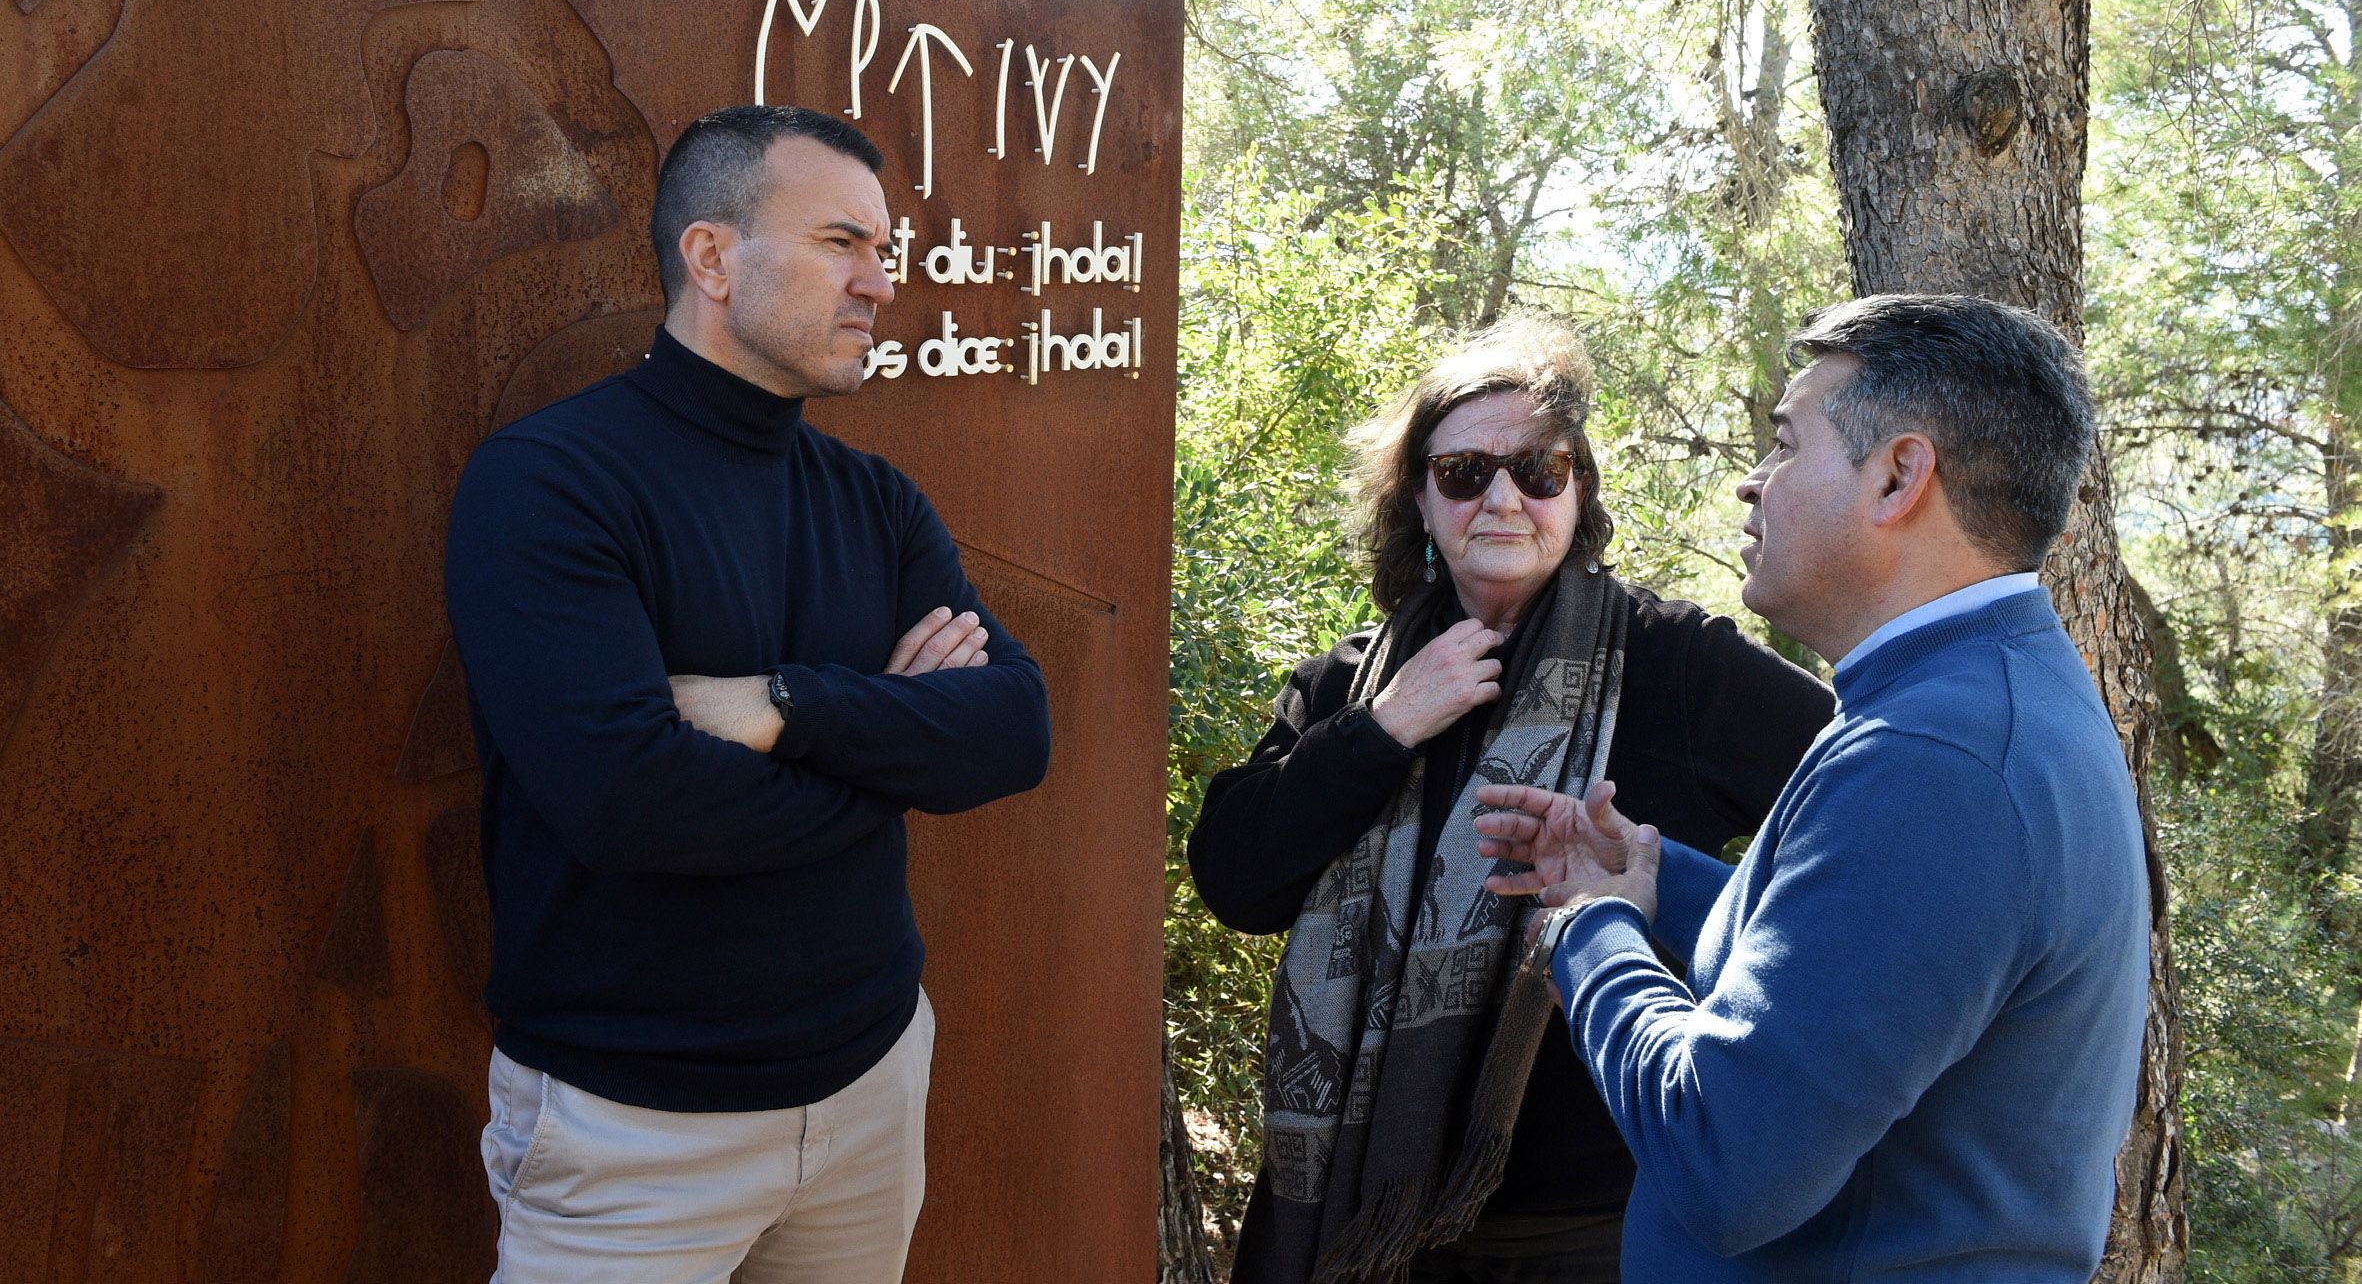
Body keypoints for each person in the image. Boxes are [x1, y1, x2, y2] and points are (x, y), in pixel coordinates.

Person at [443, 104, 1051, 1281]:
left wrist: (785, 705)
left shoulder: (876, 501)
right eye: (842, 242)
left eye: (886, 250)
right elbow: (630, 803)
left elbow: (1013, 729)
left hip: (873, 1081)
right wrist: (892, 754)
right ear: (711, 257)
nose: (879, 281)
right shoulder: (549, 484)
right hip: (634, 1130)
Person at [1473, 293, 2150, 1281]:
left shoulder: (1939, 756)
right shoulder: (1974, 695)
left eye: (1785, 444)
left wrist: (1587, 926)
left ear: (1898, 475)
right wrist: (1656, 877)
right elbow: (1853, 963)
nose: (1752, 484)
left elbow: (1724, 1165)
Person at [1188, 320, 1833, 1284]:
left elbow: (1857, 815)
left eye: (1538, 468)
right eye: (1464, 472)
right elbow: (1235, 878)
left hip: (1600, 1223)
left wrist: (1711, 932)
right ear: (1418, 494)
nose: (1502, 498)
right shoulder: (1349, 688)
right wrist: (1385, 728)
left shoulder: (1676, 665)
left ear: (1578, 489)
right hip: (1364, 1222)